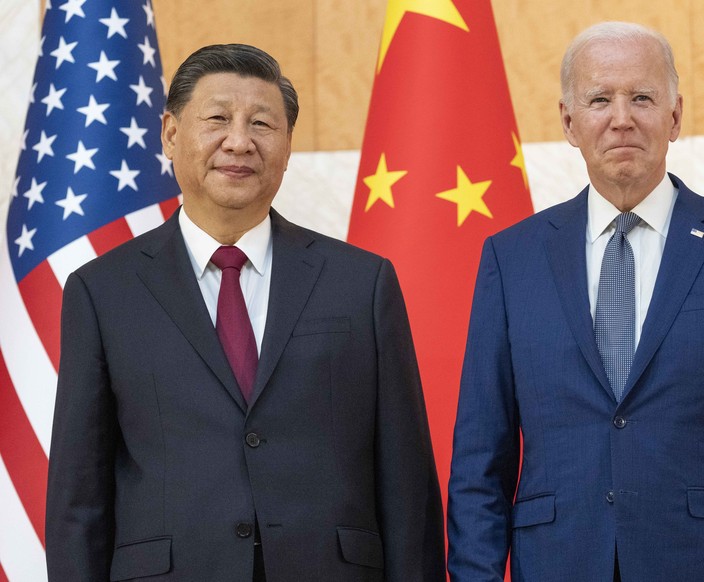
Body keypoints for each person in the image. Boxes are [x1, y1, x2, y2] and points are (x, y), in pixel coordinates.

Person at [46, 43, 445, 582]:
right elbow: (79, 497)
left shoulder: (361, 282)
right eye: (217, 119)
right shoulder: (102, 290)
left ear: (286, 145)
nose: (239, 142)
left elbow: (407, 482)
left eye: (262, 123)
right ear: (170, 134)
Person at [447, 21, 704, 581]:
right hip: (558, 563)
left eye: (642, 97)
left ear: (673, 117)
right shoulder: (512, 258)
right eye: (600, 99)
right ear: (569, 122)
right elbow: (481, 458)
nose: (621, 117)